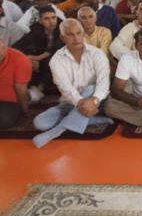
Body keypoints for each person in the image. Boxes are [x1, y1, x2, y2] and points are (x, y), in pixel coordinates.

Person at [32, 19, 112, 148]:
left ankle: (56, 132)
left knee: (90, 88)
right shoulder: (56, 59)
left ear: (83, 34)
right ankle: (88, 120)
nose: (76, 38)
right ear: (62, 38)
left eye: (79, 33)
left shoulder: (97, 54)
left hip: (97, 102)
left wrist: (93, 100)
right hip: (69, 103)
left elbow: (104, 84)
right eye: (70, 34)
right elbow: (65, 88)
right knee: (40, 123)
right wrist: (81, 104)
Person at [13, 6, 63, 101]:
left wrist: (38, 58)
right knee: (27, 63)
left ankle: (40, 88)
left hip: (60, 56)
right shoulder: (36, 29)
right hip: (42, 58)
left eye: (53, 18)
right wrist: (28, 58)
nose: (51, 21)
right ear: (40, 21)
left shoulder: (62, 27)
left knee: (50, 60)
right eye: (46, 19)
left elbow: (58, 47)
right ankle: (32, 89)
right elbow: (18, 45)